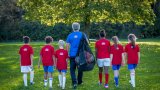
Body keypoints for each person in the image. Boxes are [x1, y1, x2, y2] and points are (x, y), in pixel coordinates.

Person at [66, 22, 87, 89]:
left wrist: (67, 53)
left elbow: (67, 45)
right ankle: (80, 81)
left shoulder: (70, 35)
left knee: (72, 69)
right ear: (79, 27)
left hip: (72, 54)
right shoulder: (82, 34)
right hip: (80, 54)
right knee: (80, 68)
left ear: (72, 28)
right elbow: (87, 43)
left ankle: (74, 82)